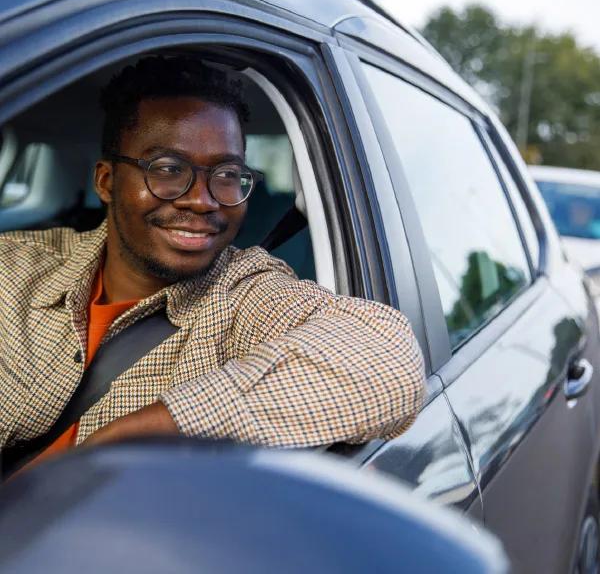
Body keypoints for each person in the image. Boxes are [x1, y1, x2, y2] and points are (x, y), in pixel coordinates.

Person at [0, 56, 424, 466]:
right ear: (107, 183)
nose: (202, 201)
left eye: (225, 175)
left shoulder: (244, 294)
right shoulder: (15, 268)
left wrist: (148, 430)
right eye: (167, 169)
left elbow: (389, 360)